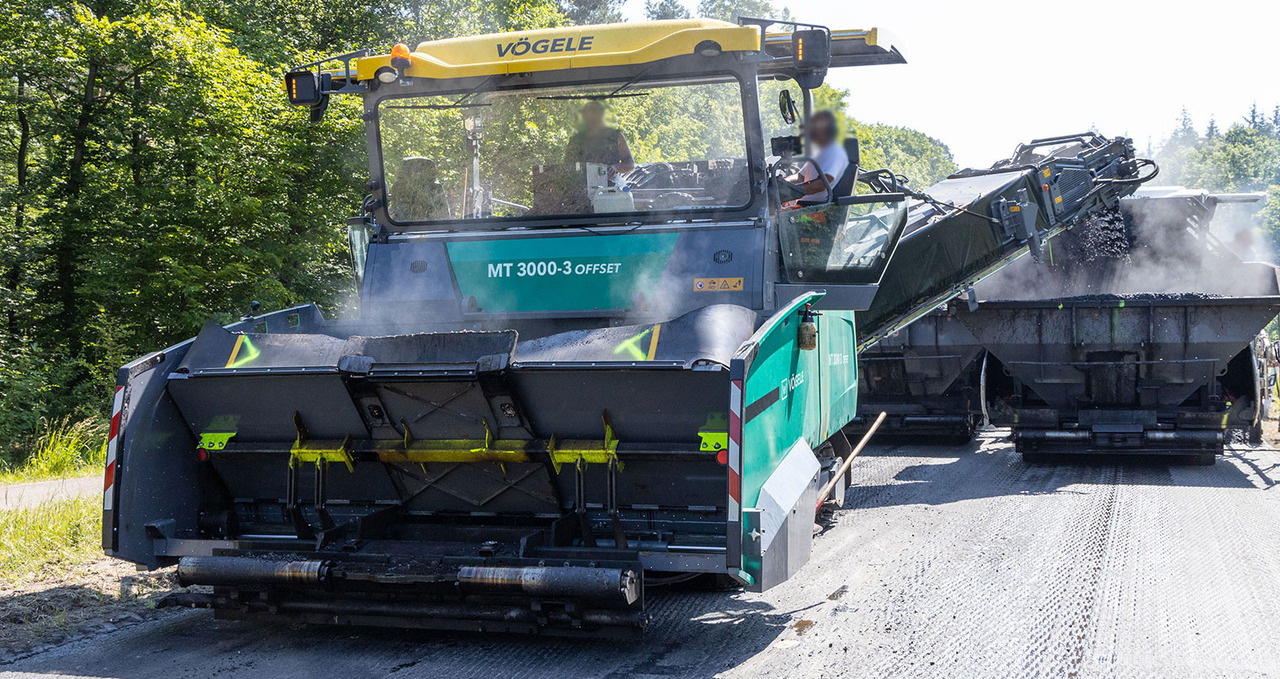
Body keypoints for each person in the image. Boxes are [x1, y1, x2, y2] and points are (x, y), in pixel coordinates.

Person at [788, 110, 848, 203]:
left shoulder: (835, 152)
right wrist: (782, 183)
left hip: (816, 211)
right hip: (802, 206)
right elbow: (800, 177)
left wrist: (788, 193)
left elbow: (821, 184)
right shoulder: (818, 153)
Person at [565, 100, 635, 176]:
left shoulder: (615, 136)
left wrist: (615, 167)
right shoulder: (576, 140)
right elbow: (567, 166)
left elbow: (630, 164)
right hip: (582, 184)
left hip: (609, 184)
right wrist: (581, 168)